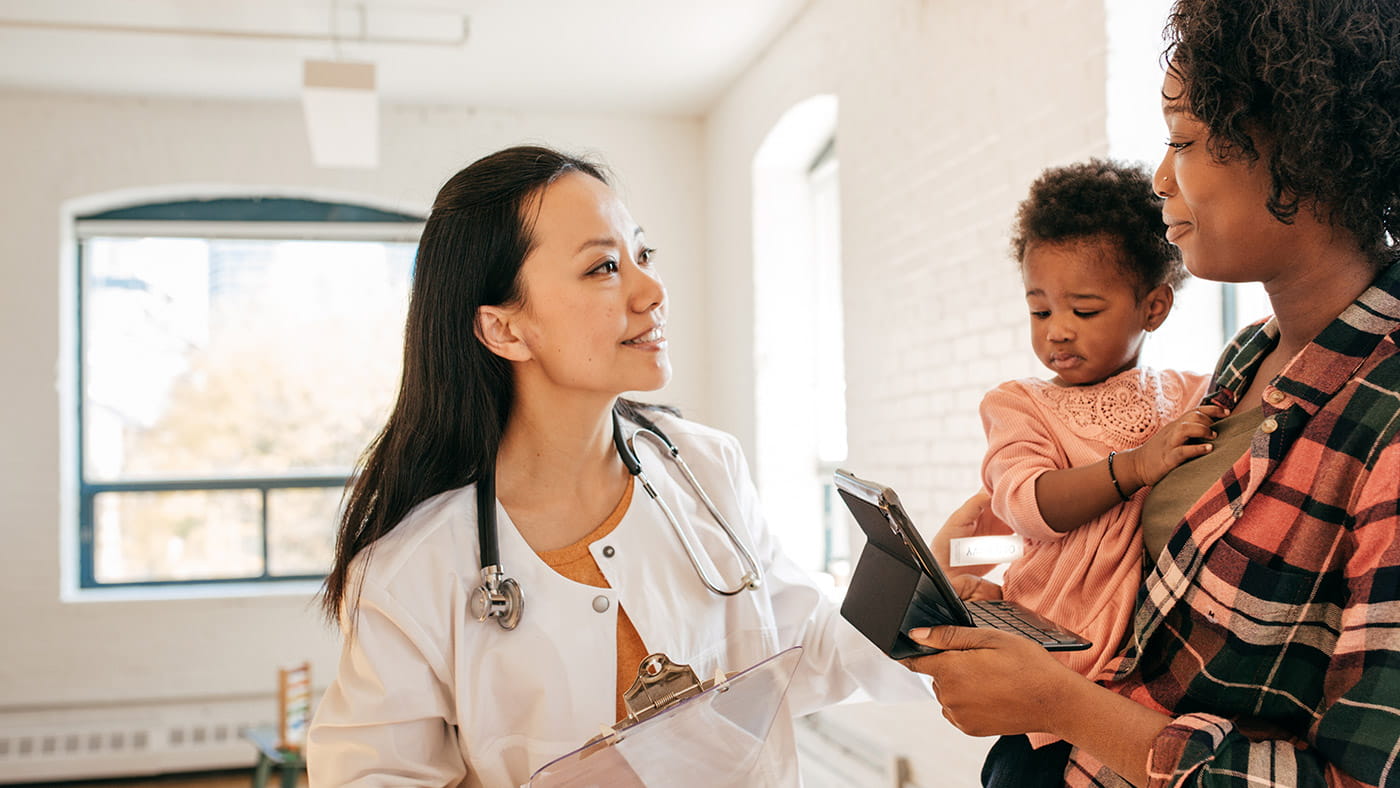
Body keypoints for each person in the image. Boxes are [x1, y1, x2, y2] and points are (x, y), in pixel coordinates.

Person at [304, 145, 927, 787]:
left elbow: (808, 654)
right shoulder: (414, 570)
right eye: (604, 267)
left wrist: (921, 593)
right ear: (505, 330)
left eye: (642, 255)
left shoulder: (706, 468)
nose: (652, 290)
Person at [907, 0, 1400, 785]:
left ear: (1301, 152)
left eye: (1184, 140)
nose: (1163, 177)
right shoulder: (1248, 361)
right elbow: (1116, 559)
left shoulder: (1385, 419)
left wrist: (1062, 705)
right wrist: (965, 561)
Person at [958, 160, 1220, 785]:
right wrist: (1136, 466)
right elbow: (1025, 504)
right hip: (1048, 674)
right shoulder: (1021, 406)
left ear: (1153, 306)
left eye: (1085, 309)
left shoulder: (1192, 393)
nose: (1058, 333)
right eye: (1040, 311)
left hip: (1147, 684)